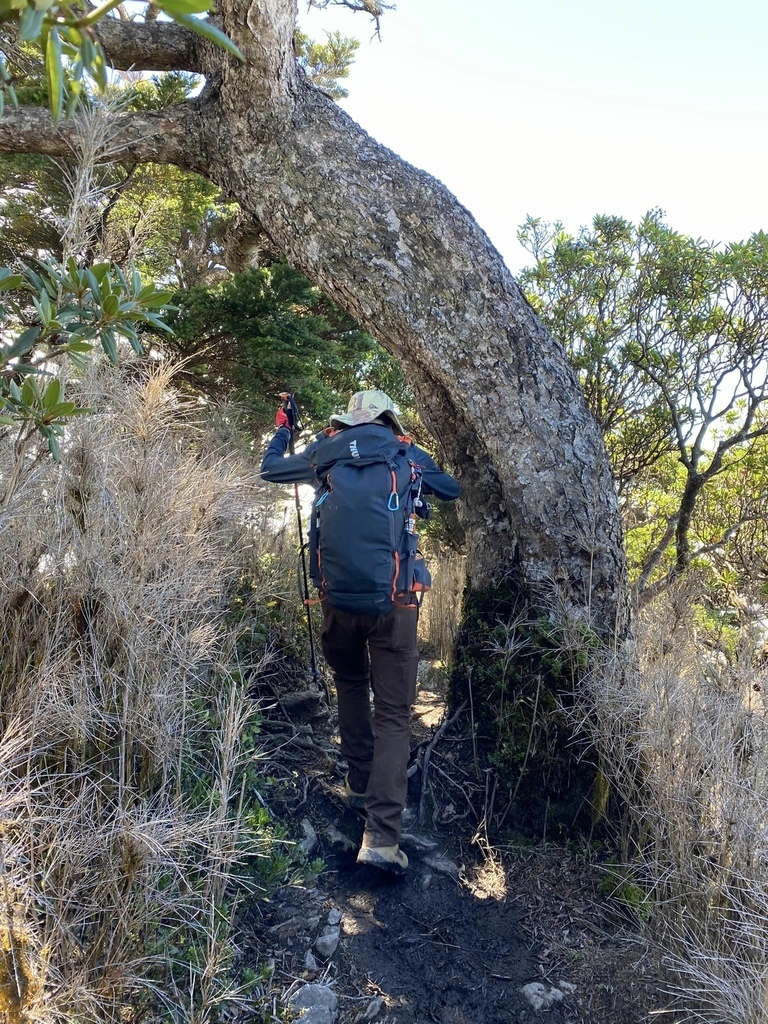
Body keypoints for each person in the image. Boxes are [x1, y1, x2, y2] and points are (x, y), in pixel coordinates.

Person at [260, 390, 461, 873]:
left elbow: (270, 468)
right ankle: (381, 838)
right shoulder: (405, 452)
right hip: (395, 602)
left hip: (336, 601)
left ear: (346, 421)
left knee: (350, 685)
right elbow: (450, 489)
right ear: (387, 419)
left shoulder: (324, 453)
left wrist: (285, 427)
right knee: (393, 713)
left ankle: (356, 783)